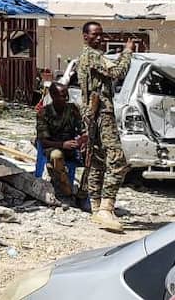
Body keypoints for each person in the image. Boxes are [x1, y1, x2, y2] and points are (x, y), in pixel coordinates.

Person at [78, 21, 133, 232]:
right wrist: (127, 52)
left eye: (101, 34)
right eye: (95, 34)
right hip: (102, 112)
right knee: (118, 160)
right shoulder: (92, 55)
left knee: (98, 160)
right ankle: (106, 208)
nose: (99, 38)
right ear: (85, 36)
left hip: (92, 114)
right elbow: (117, 72)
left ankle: (96, 207)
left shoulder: (88, 56)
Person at [36, 82, 85, 198]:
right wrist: (63, 145)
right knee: (56, 156)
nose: (66, 99)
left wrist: (81, 141)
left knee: (93, 155)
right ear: (53, 96)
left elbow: (82, 130)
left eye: (67, 95)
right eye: (62, 96)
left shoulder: (72, 110)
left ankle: (83, 192)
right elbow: (43, 141)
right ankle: (66, 188)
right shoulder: (44, 113)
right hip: (53, 146)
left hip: (72, 146)